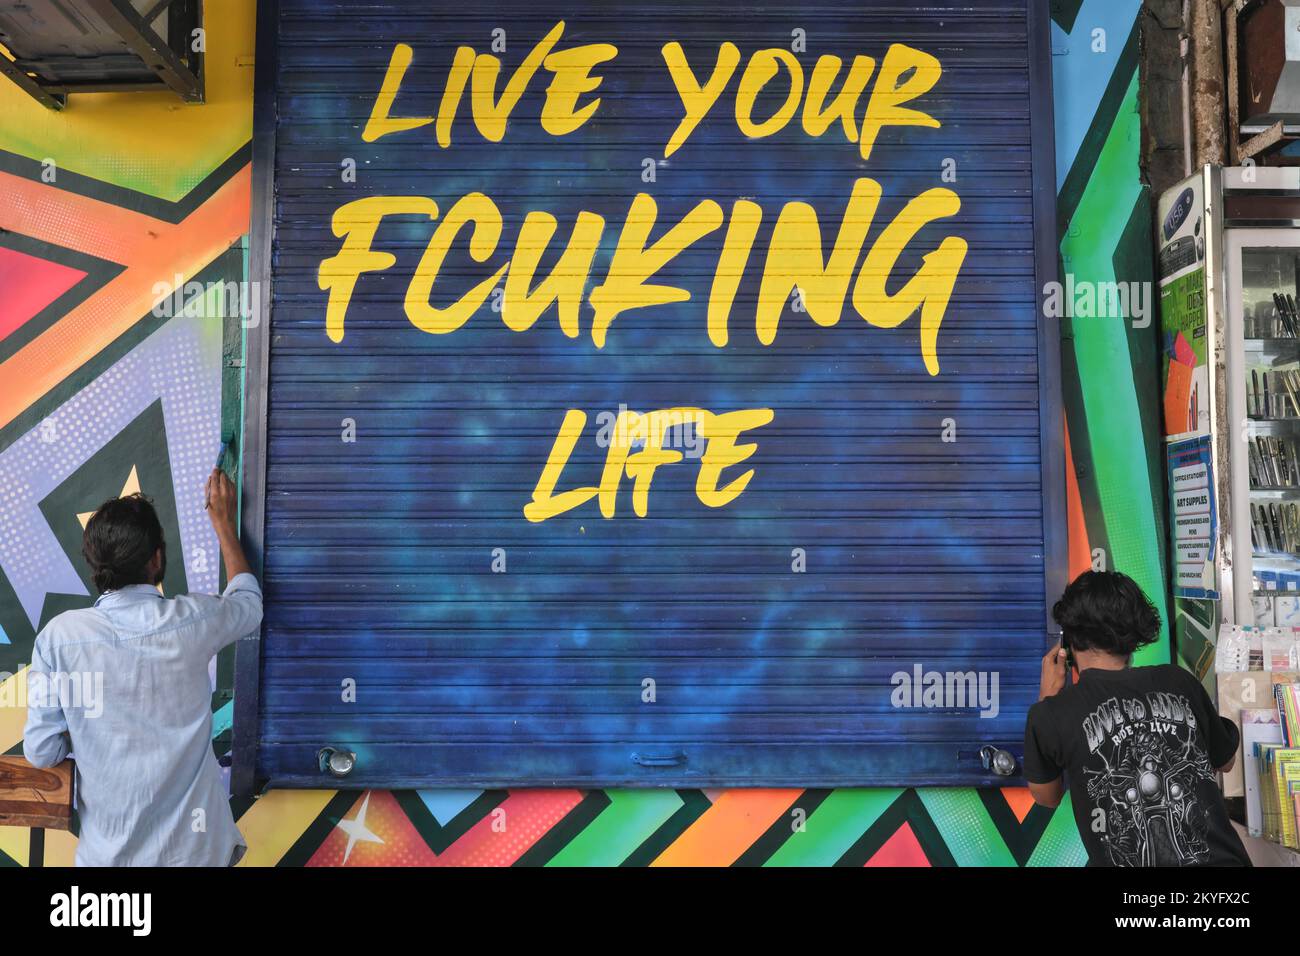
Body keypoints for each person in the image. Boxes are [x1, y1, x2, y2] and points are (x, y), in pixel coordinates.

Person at [23, 470, 261, 867]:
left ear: (94, 564)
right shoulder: (193, 620)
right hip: (196, 855)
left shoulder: (59, 639)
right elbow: (249, 604)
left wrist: (84, 729)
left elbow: (43, 751)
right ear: (156, 559)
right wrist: (223, 523)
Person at [1024, 570, 1250, 866]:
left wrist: (1048, 698)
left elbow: (1046, 796)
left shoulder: (1050, 713)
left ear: (1068, 643)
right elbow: (1226, 761)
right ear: (1135, 634)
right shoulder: (1178, 682)